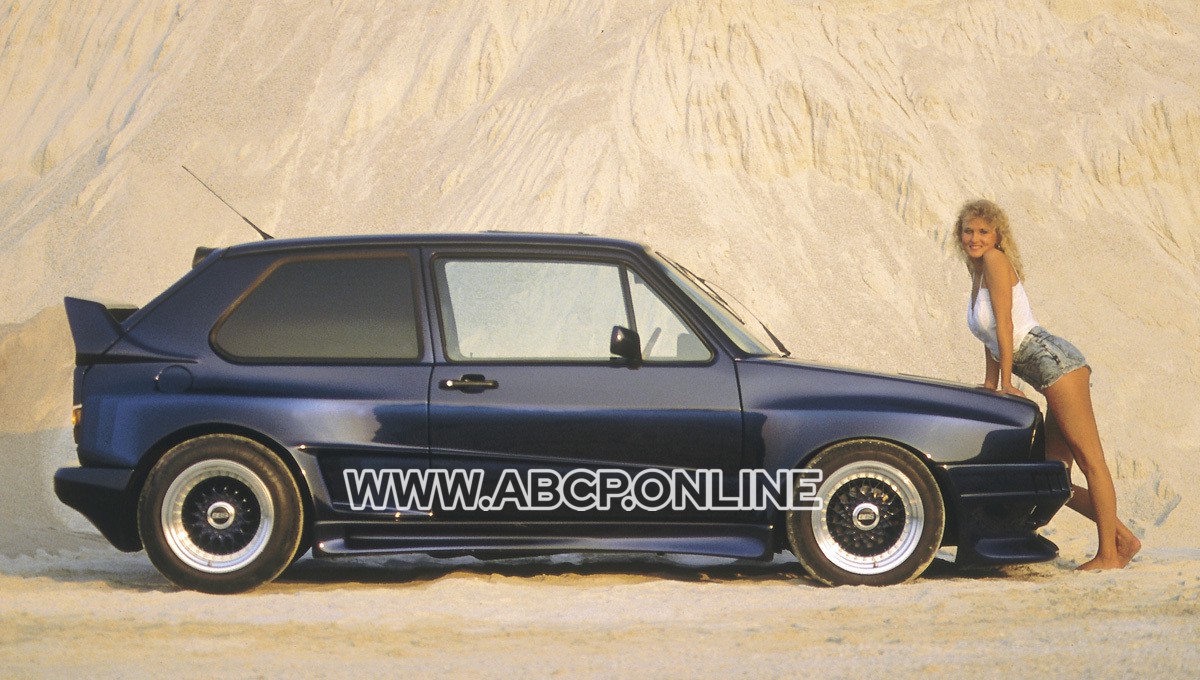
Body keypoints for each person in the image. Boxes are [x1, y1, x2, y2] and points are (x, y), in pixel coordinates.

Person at [954, 198, 1139, 570]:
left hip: (1056, 364)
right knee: (1055, 477)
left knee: (1091, 461)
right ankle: (1125, 539)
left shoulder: (995, 260)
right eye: (968, 231)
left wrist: (1007, 381)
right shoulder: (978, 270)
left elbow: (1006, 325)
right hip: (1046, 372)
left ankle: (1108, 556)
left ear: (997, 235)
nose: (975, 238)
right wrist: (990, 382)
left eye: (983, 231)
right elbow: (990, 336)